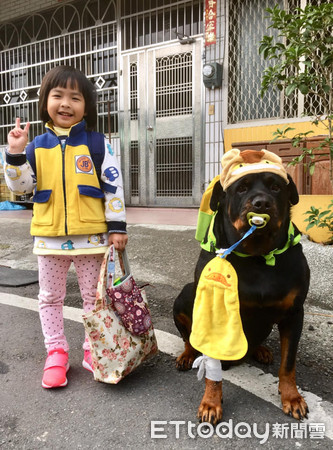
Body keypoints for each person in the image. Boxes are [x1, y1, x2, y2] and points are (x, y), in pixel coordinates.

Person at [4, 65, 128, 389]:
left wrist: (117, 226)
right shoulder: (35, 146)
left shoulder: (98, 143)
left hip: (92, 239)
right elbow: (22, 190)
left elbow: (113, 186)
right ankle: (56, 352)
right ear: (46, 100)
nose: (66, 103)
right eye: (58, 95)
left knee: (92, 298)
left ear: (86, 105)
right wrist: (16, 155)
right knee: (49, 298)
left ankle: (91, 349)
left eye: (75, 97)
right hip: (48, 239)